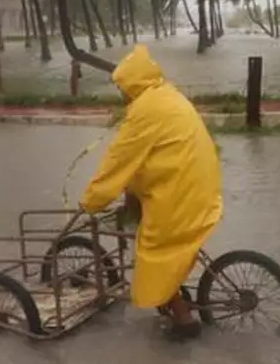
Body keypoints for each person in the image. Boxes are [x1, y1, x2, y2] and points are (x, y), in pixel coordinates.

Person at [79, 45, 223, 340]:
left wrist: (91, 201)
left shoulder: (146, 111)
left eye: (122, 87)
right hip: (199, 186)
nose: (121, 93)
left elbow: (118, 161)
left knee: (152, 253)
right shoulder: (166, 95)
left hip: (181, 194)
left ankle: (184, 321)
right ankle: (174, 295)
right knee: (165, 245)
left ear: (132, 83)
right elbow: (149, 158)